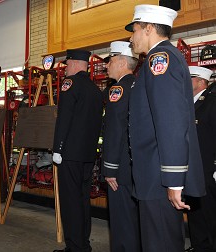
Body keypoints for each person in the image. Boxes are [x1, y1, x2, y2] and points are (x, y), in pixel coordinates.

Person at [125, 4, 206, 252]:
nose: (131, 37)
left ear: (149, 28)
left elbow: (171, 122)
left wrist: (173, 181)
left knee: (160, 244)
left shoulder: (160, 60)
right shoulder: (158, 60)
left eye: (135, 30)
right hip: (154, 175)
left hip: (158, 177)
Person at [52, 49, 103, 252]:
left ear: (74, 63)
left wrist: (58, 148)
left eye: (67, 64)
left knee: (70, 201)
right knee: (83, 200)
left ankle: (74, 247)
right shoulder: (95, 90)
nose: (65, 68)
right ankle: (84, 244)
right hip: (88, 155)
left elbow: (64, 119)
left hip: (70, 154)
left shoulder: (70, 84)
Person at [101, 41, 141, 252]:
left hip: (119, 170)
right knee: (133, 222)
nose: (107, 66)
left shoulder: (118, 89)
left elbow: (114, 130)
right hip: (133, 168)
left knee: (122, 225)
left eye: (110, 61)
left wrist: (109, 169)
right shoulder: (136, 84)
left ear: (123, 62)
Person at [185, 66, 216, 252]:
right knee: (195, 213)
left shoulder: (211, 103)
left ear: (200, 81)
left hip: (208, 171)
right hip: (193, 171)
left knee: (209, 216)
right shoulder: (190, 104)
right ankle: (199, 246)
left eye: (189, 78)